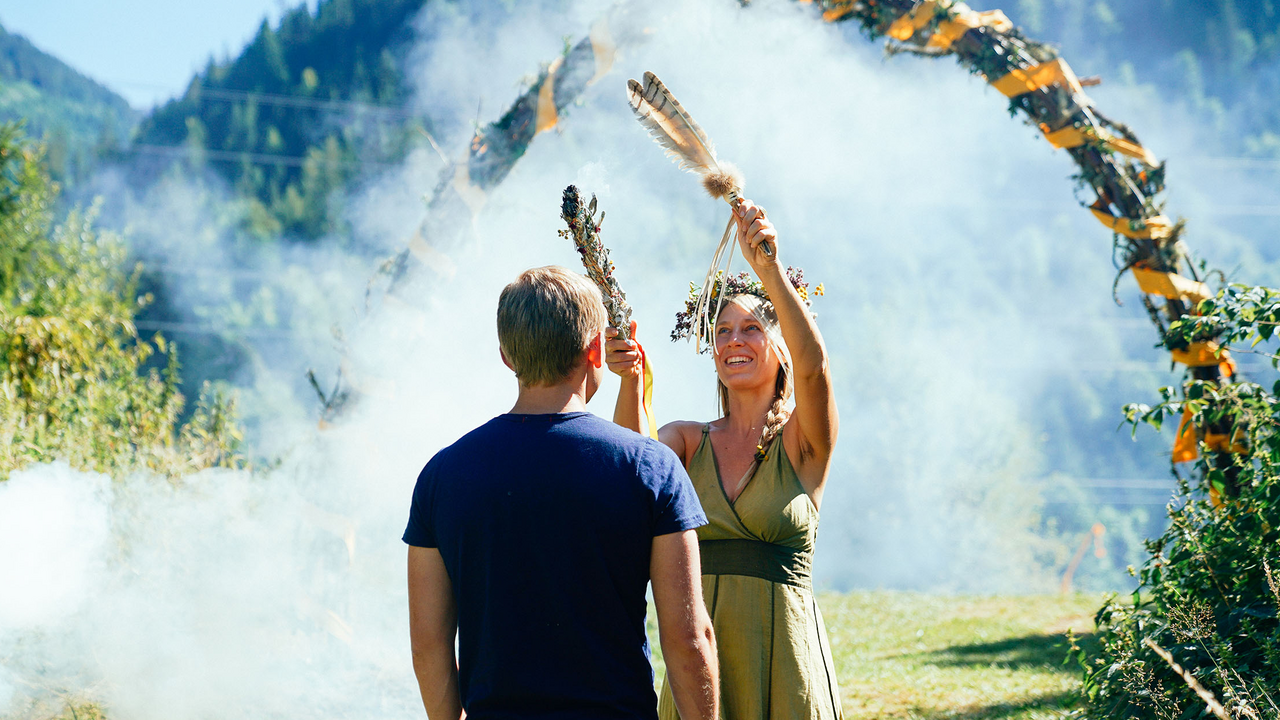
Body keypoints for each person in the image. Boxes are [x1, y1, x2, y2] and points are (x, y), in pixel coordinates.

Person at [404, 266, 719, 720]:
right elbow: (689, 640)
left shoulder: (442, 475)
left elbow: (428, 644)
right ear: (595, 349)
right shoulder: (650, 468)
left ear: (506, 356)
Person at [608, 200, 843, 719]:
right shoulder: (686, 443)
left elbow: (816, 368)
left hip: (786, 667)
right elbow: (628, 469)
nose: (734, 340)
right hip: (700, 670)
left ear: (781, 345)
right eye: (722, 331)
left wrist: (768, 270)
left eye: (752, 328)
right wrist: (628, 379)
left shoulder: (804, 443)